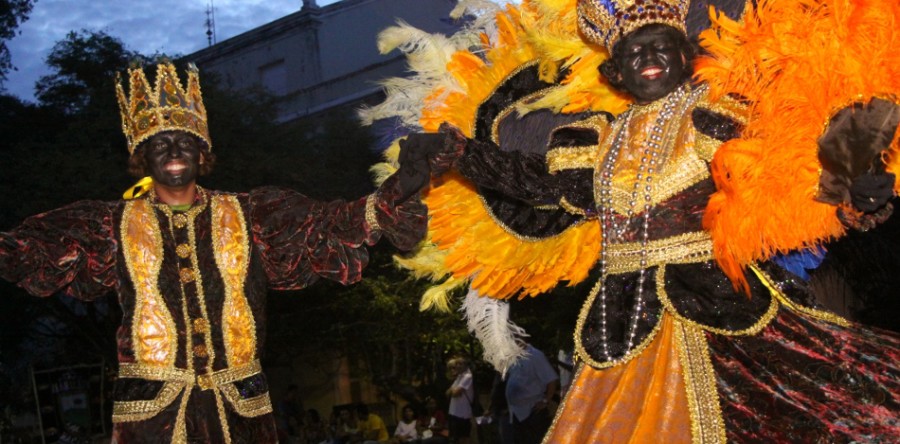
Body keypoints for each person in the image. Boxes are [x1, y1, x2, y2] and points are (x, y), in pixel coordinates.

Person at [390, 0, 900, 441]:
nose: (649, 58)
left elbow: (769, 173)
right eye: (634, 52)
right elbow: (537, 182)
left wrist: (849, 192)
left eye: (661, 47)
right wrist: (459, 153)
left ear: (686, 57)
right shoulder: (595, 139)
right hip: (619, 320)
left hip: (713, 305)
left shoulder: (710, 112)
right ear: (614, 74)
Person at [0, 61, 438, 443]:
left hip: (241, 413)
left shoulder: (251, 214)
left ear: (202, 151)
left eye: (184, 142)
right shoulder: (110, 224)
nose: (173, 152)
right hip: (154, 420)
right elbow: (31, 249)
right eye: (159, 144)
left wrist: (400, 186)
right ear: (143, 158)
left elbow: (330, 224)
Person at [502, 343, 557, 444]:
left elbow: (551, 380)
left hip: (532, 410)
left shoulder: (535, 355)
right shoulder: (513, 357)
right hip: (516, 412)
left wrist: (546, 400)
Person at [444, 357, 473, 444]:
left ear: (465, 365)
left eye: (460, 364)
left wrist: (454, 391)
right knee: (455, 438)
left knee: (463, 438)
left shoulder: (467, 376)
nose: (457, 366)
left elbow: (455, 393)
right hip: (454, 412)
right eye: (456, 364)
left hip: (462, 413)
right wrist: (454, 390)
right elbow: (447, 393)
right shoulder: (459, 377)